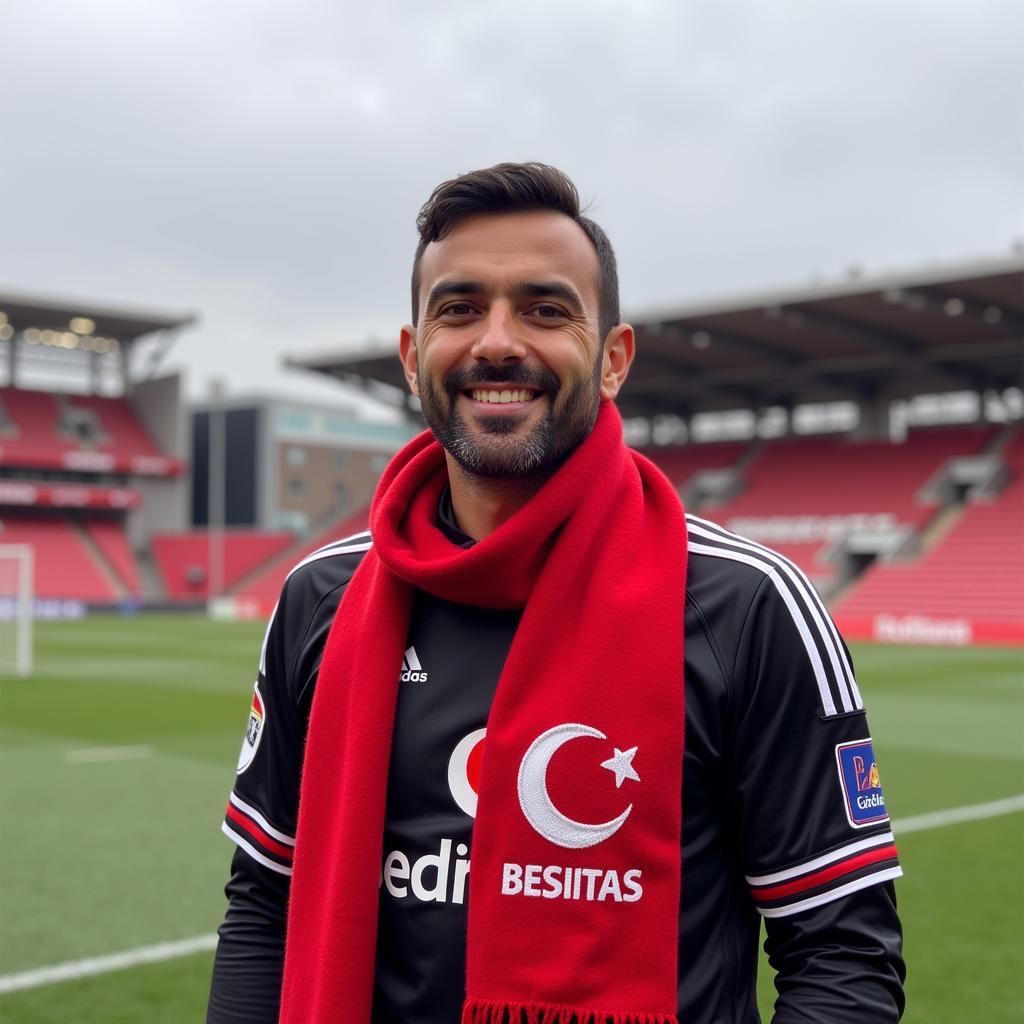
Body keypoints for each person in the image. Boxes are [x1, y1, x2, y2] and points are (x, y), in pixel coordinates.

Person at [207, 162, 905, 1024]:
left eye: (545, 309)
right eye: (458, 309)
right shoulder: (322, 597)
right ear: (412, 355)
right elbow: (263, 907)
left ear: (613, 360)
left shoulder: (748, 605)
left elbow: (840, 956)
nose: (497, 342)